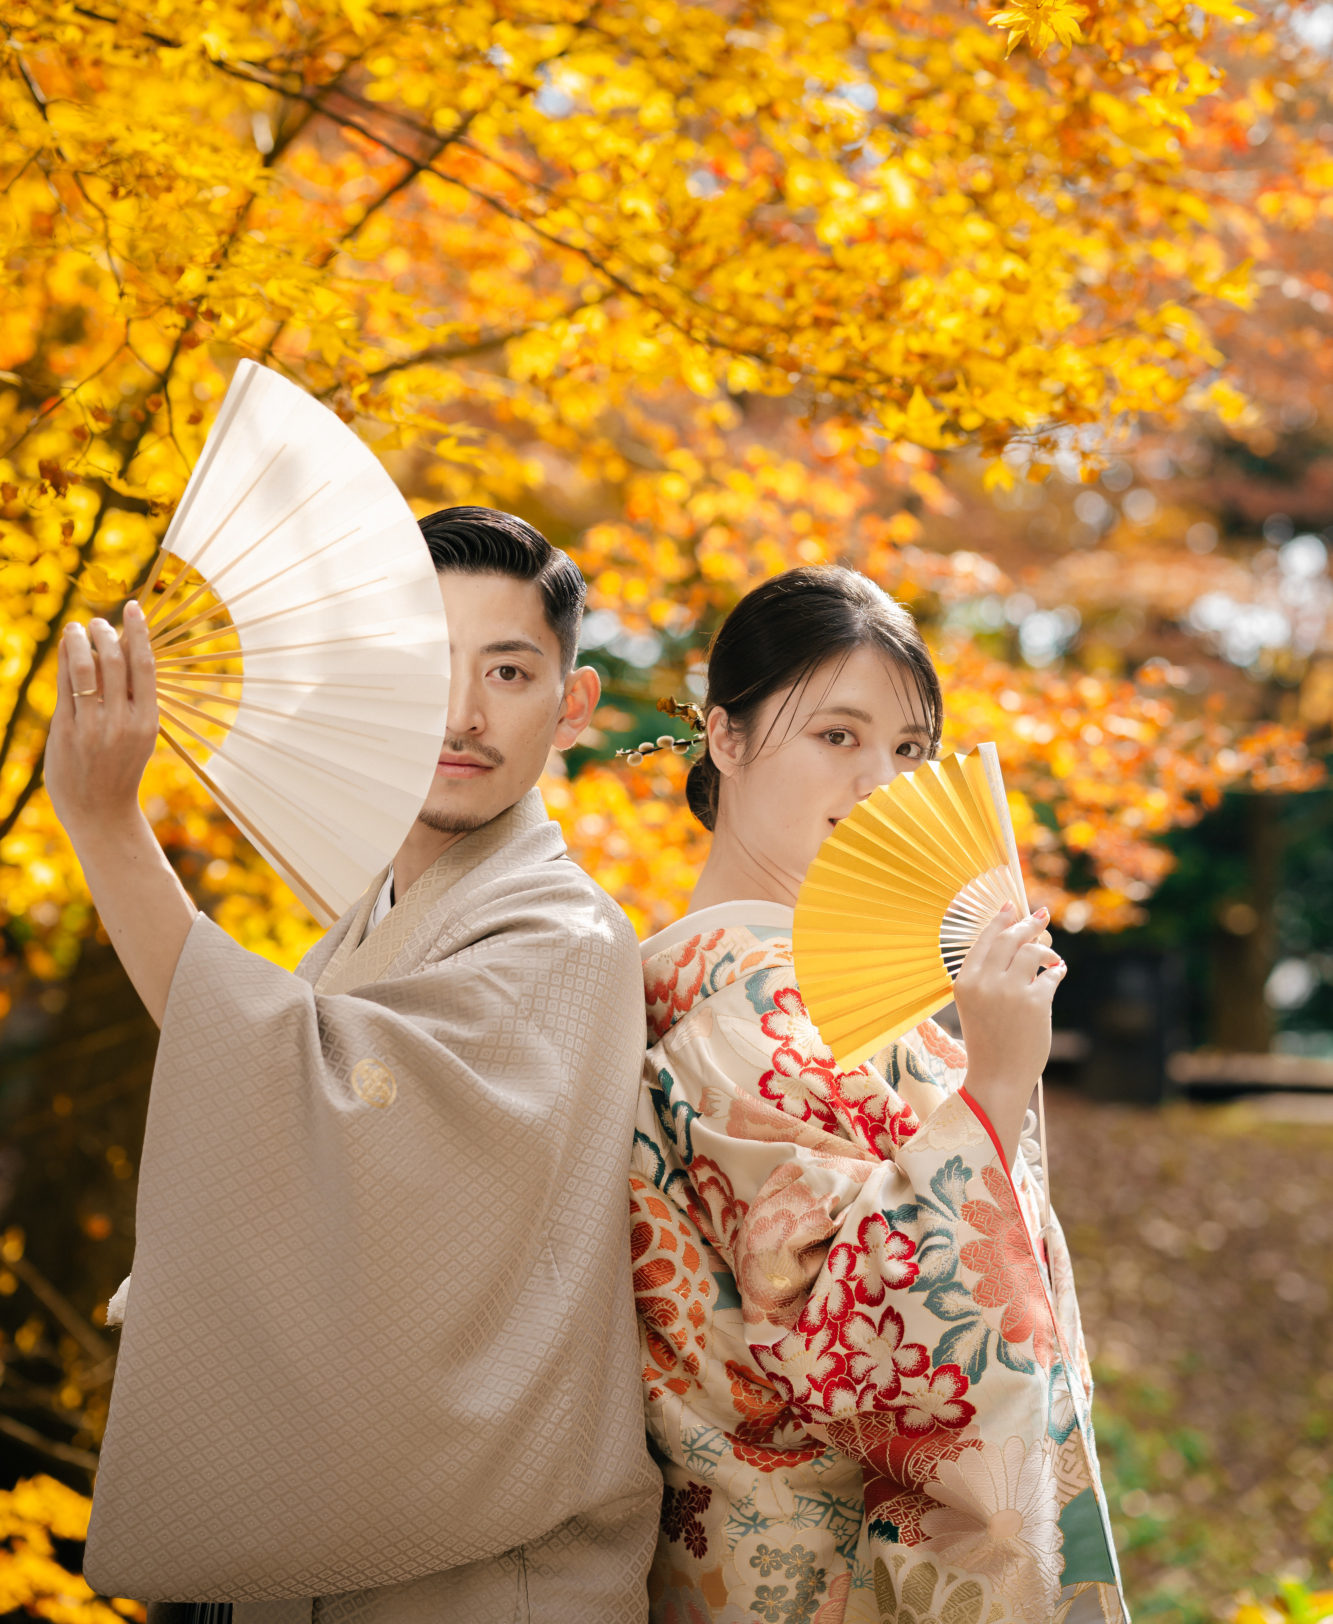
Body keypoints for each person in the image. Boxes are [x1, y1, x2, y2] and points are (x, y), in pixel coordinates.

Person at [46, 506, 661, 1624]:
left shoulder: (563, 936)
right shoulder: (358, 924)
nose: (463, 714)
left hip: (492, 1581)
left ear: (570, 707)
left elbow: (316, 1088)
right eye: (426, 664)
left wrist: (105, 824)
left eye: (510, 671)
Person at [631, 566, 1126, 1624]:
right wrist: (990, 1078)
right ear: (724, 736)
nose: (879, 782)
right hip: (812, 1567)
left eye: (908, 748)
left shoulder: (816, 1004)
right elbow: (864, 1332)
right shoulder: (735, 1014)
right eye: (836, 736)